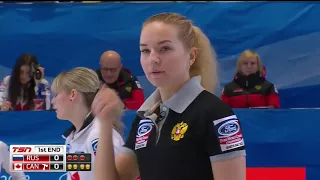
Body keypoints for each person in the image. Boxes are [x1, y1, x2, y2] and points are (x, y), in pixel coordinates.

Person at [92, 13, 246, 180]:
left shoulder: (215, 114)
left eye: (164, 48)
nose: (153, 59)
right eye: (145, 50)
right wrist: (106, 124)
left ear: (192, 56)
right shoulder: (146, 117)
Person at [51, 67, 124, 180]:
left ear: (73, 94)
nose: (52, 101)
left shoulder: (98, 136)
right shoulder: (72, 137)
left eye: (56, 94)